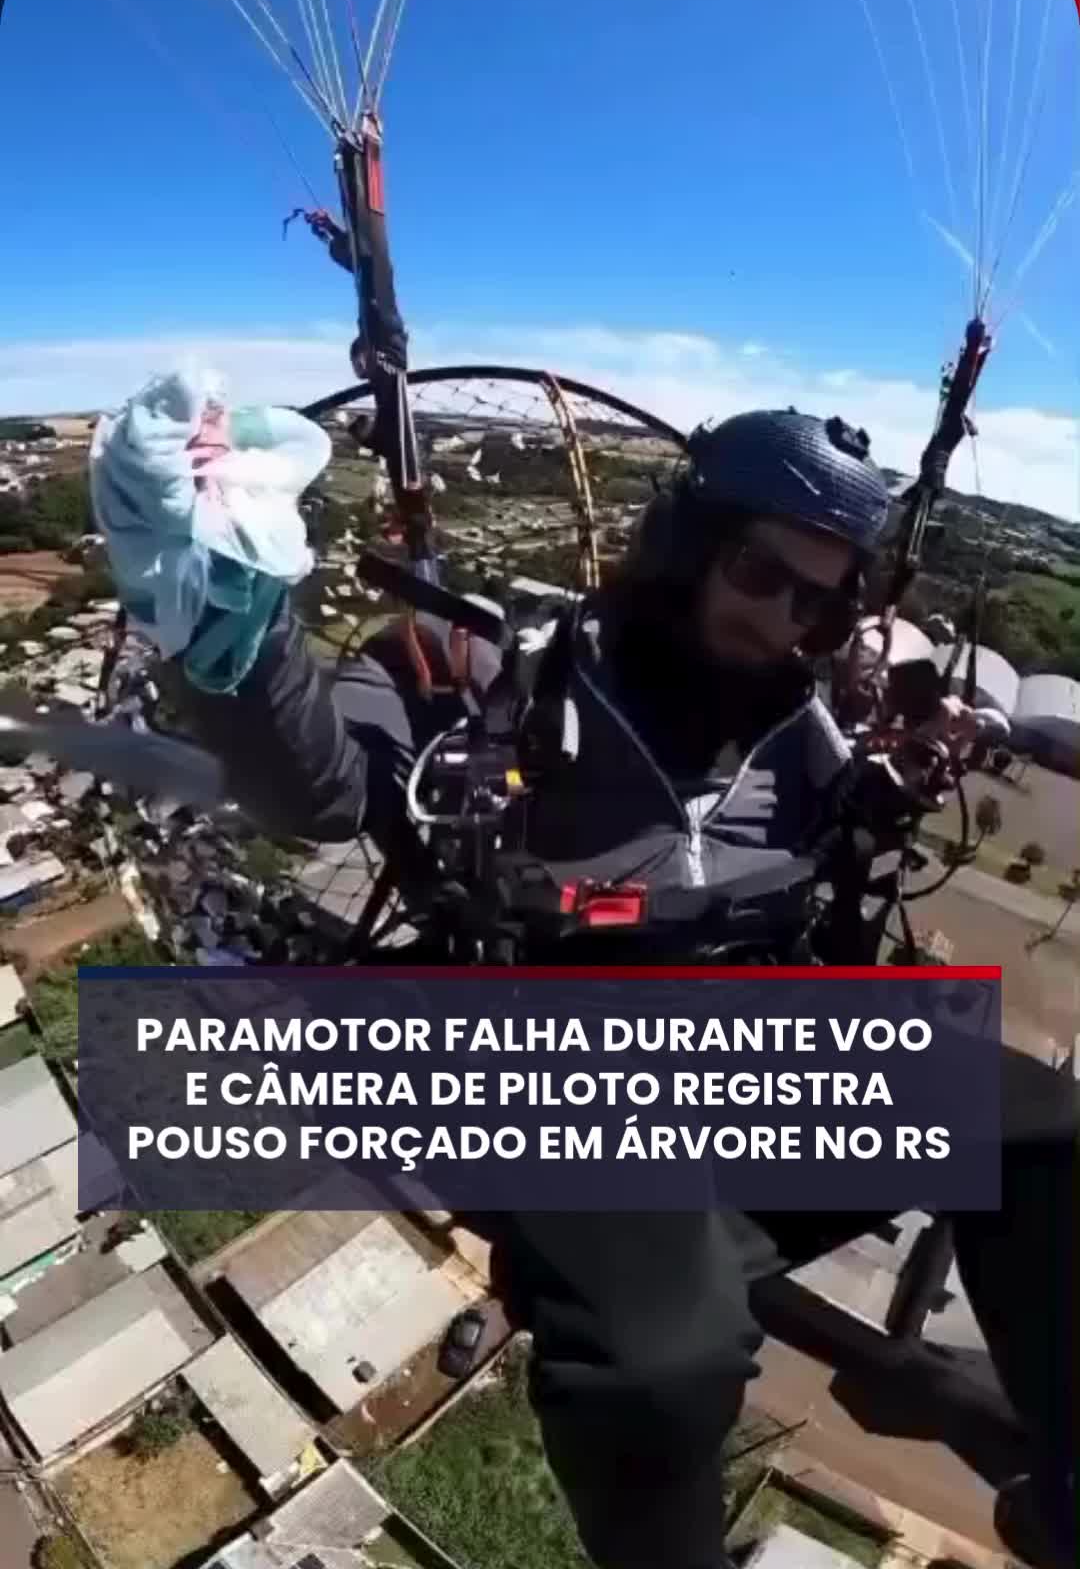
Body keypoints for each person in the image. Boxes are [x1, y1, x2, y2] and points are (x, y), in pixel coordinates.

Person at [99, 397, 1077, 1569]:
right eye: (763, 575)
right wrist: (235, 638)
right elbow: (318, 787)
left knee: (1052, 1133)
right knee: (664, 1358)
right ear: (686, 539)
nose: (786, 621)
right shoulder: (487, 669)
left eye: (821, 601)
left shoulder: (811, 728)